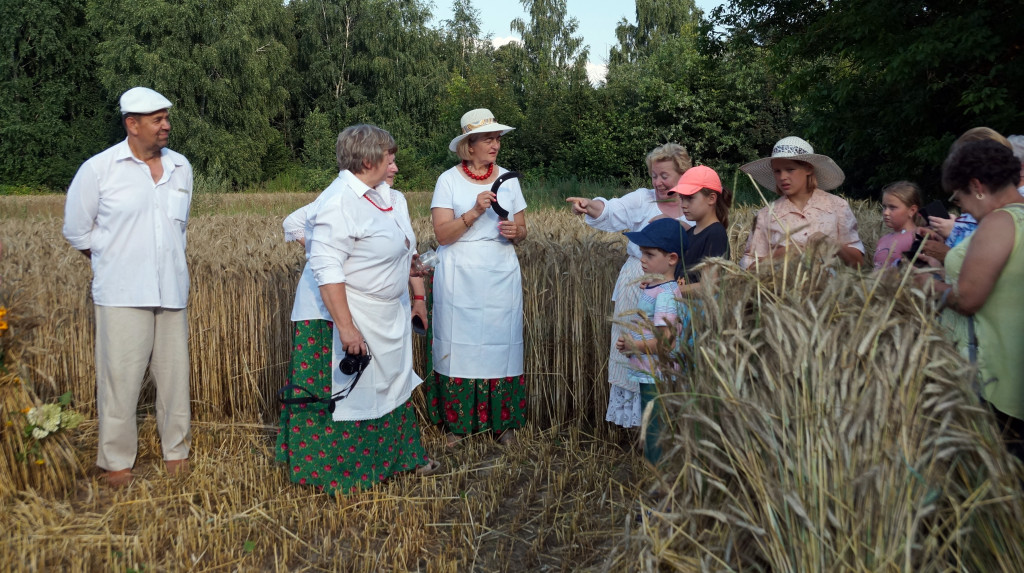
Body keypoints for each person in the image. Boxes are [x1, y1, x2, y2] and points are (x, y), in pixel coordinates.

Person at [276, 124, 440, 494]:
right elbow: (327, 268)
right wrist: (347, 328)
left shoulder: (388, 198)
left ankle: (398, 460)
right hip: (342, 316)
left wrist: (408, 272)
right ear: (368, 161)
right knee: (351, 393)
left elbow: (394, 247)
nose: (396, 167)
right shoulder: (338, 202)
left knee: (390, 387)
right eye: (390, 159)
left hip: (385, 314)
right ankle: (343, 473)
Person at [62, 87, 193, 487]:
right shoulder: (99, 170)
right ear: (131, 124)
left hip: (171, 290)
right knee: (120, 380)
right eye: (157, 120)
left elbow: (179, 229)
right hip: (120, 294)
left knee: (175, 379)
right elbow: (76, 231)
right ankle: (116, 463)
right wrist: (113, 262)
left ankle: (177, 453)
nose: (166, 126)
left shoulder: (181, 168)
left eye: (167, 118)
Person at [565, 144, 694, 429]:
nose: (658, 183)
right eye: (653, 176)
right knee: (634, 344)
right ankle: (640, 426)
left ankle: (668, 424)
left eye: (664, 176)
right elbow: (611, 209)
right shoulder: (642, 200)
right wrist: (590, 204)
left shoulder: (693, 203)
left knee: (670, 347)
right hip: (637, 282)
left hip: (680, 285)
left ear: (682, 174)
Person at [425, 109, 527, 447]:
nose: (495, 144)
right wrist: (473, 212)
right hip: (459, 273)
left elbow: (523, 228)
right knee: (459, 345)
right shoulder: (448, 180)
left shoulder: (509, 180)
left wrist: (516, 231)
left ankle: (503, 423)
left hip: (500, 271)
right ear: (469, 146)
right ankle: (456, 425)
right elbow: (442, 235)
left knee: (502, 345)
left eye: (497, 138)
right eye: (488, 138)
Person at [916, 140, 1024, 460]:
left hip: (994, 377)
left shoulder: (1000, 222)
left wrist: (925, 285)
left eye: (959, 196)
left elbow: (968, 299)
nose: (961, 207)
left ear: (977, 186)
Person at [283, 157, 428, 332]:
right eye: (389, 163)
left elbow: (408, 251)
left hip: (381, 307)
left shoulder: (397, 199)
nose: (395, 169)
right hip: (330, 305)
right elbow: (292, 222)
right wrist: (328, 254)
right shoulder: (342, 198)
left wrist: (419, 297)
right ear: (368, 165)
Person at [616, 218, 688, 464]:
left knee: (655, 422)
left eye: (649, 254)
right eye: (641, 253)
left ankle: (658, 472)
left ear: (672, 259)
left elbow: (665, 342)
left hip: (656, 372)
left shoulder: (666, 296)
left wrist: (634, 347)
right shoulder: (658, 287)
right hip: (649, 370)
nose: (642, 259)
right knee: (652, 418)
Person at [739, 136, 865, 269]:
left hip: (832, 288)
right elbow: (747, 271)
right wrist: (777, 256)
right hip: (780, 289)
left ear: (808, 169)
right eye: (777, 171)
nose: (782, 177)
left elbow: (858, 264)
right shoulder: (765, 215)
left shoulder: (838, 207)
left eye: (790, 169)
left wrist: (833, 245)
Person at [669, 165, 732, 289]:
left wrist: (672, 291)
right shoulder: (690, 233)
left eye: (690, 198)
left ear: (711, 198)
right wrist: (657, 285)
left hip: (697, 308)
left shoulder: (715, 234)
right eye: (681, 198)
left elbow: (710, 286)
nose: (683, 205)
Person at [873, 181, 923, 269]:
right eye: (884, 207)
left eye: (892, 207)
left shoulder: (916, 238)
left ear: (912, 210)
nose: (886, 212)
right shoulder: (883, 239)